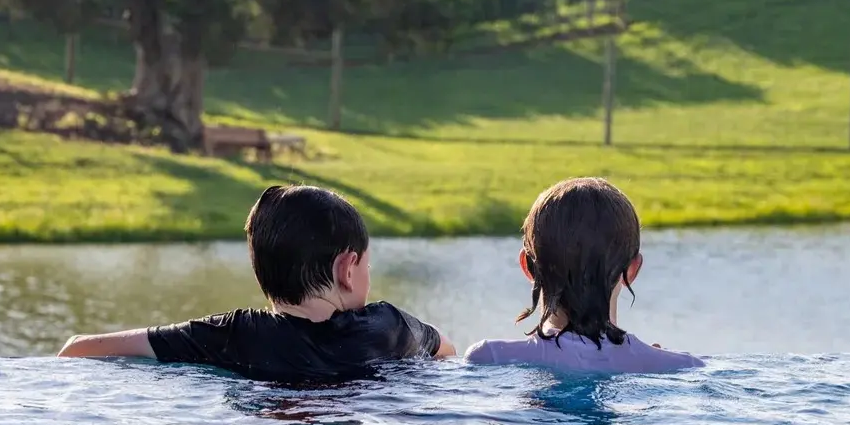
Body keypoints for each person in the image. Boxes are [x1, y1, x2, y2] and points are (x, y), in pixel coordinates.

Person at [57, 184, 455, 382]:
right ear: (347, 269)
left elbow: (78, 351)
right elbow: (447, 355)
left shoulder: (234, 333)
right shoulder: (388, 327)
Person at [464, 177, 703, 373]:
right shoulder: (683, 368)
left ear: (528, 267)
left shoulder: (488, 359)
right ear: (632, 270)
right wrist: (651, 363)